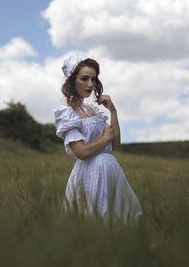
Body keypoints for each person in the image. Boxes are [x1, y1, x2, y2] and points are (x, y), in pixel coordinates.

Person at [54, 54, 142, 225]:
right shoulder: (66, 113)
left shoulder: (92, 109)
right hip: (91, 172)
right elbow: (81, 152)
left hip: (111, 171)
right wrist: (105, 138)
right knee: (96, 221)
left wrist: (113, 111)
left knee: (121, 219)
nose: (90, 84)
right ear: (72, 81)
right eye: (84, 79)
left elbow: (115, 144)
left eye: (93, 79)